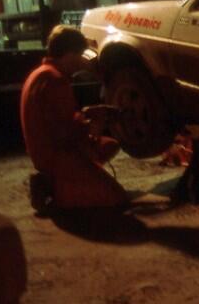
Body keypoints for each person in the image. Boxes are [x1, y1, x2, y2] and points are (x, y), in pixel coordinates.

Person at [21, 25, 128, 212]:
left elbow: (56, 119)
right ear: (70, 55)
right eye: (80, 55)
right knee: (117, 198)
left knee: (108, 145)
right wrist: (91, 127)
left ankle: (71, 182)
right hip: (56, 155)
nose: (82, 61)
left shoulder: (41, 74)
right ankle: (56, 192)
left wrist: (86, 114)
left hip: (44, 150)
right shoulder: (55, 80)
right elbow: (66, 135)